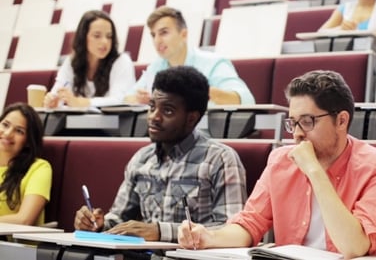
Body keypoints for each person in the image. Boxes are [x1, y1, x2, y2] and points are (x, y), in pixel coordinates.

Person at [178, 70, 376, 258]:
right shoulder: (280, 160)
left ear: (341, 120)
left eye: (307, 121)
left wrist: (314, 170)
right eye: (293, 123)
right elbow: (251, 223)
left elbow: (354, 247)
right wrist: (209, 237)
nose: (298, 134)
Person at [74, 66, 247, 242]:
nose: (153, 117)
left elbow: (231, 230)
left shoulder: (220, 159)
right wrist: (98, 224)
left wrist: (160, 232)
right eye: (152, 107)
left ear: (191, 119)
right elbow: (120, 219)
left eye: (168, 111)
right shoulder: (141, 159)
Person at [123, 6, 255, 106]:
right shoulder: (156, 66)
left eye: (164, 33)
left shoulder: (213, 62)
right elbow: (127, 98)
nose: (157, 40)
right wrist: (139, 99)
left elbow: (246, 100)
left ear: (184, 34)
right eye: (153, 35)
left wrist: (200, 92)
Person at [44, 10, 135, 108]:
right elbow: (59, 91)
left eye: (109, 36)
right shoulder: (71, 62)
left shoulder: (122, 61)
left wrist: (83, 103)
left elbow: (121, 100)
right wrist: (53, 101)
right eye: (97, 36)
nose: (105, 41)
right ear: (83, 37)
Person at [0, 102, 52, 226]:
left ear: (28, 141)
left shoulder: (39, 168)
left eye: (19, 131)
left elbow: (24, 220)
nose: (7, 133)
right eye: (5, 125)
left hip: (12, 244)